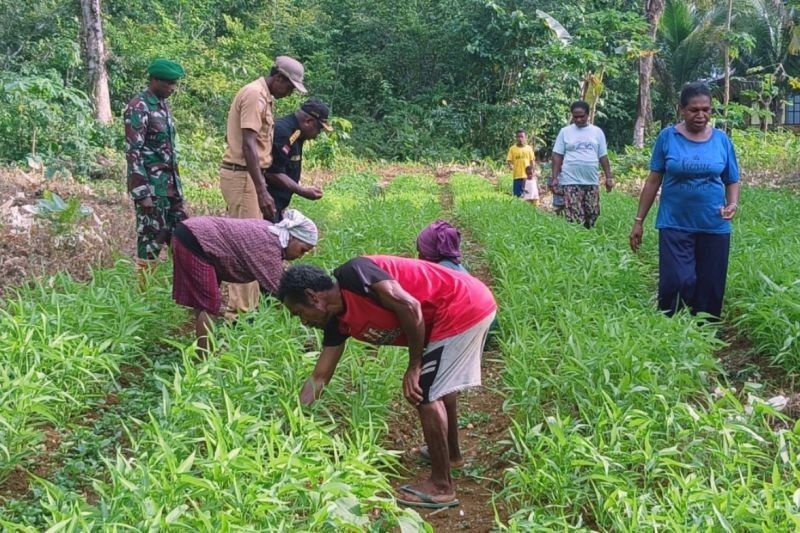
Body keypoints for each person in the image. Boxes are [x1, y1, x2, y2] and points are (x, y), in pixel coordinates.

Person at [277, 256, 497, 509]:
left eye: (299, 313)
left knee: (423, 393)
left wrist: (414, 365)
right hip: (454, 311)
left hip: (462, 304)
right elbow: (319, 377)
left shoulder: (354, 274)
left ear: (313, 296)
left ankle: (442, 486)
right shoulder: (337, 324)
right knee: (437, 385)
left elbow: (410, 305)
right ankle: (452, 454)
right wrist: (291, 422)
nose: (303, 322)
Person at [630, 82, 740, 319]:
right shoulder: (667, 138)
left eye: (706, 109)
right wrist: (639, 220)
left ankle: (705, 335)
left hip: (714, 225)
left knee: (711, 284)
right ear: (681, 109)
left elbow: (732, 178)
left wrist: (732, 204)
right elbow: (653, 181)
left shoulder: (721, 140)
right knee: (678, 280)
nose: (701, 115)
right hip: (675, 223)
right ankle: (673, 330)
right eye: (694, 110)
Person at [219, 56, 307, 317]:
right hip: (244, 177)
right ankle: (240, 313)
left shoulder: (264, 96)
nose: (290, 94)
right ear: (278, 78)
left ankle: (249, 307)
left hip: (248, 177)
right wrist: (261, 189)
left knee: (254, 241)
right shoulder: (255, 95)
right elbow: (248, 145)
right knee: (245, 244)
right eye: (289, 87)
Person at [171, 209, 318, 352]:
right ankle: (204, 359)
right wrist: (306, 315)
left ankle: (204, 349)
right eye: (302, 250)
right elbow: (281, 290)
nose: (301, 255)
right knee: (210, 306)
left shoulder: (270, 235)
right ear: (292, 237)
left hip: (190, 234)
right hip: (196, 240)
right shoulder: (269, 246)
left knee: (204, 304)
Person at [124, 58, 187, 274]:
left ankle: (180, 289)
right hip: (152, 188)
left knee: (182, 237)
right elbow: (133, 153)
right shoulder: (138, 107)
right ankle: (144, 294)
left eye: (174, 83)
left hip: (171, 188)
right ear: (153, 79)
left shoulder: (163, 106)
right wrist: (142, 193)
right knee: (150, 241)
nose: (171, 88)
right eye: (167, 83)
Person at [263, 98, 331, 222]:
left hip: (277, 205)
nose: (317, 135)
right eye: (319, 129)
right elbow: (273, 172)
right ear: (308, 122)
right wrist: (302, 191)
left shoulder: (296, 134)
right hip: (266, 204)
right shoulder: (282, 132)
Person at [550, 101, 614, 228]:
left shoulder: (597, 132)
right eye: (575, 117)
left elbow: (603, 156)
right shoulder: (565, 132)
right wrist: (555, 177)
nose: (578, 119)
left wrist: (609, 177)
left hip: (591, 180)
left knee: (593, 212)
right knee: (575, 214)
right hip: (570, 180)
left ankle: (588, 236)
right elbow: (557, 155)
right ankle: (578, 241)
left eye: (582, 116)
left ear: (588, 115)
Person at [506, 129, 536, 198]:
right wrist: (510, 166)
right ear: (516, 138)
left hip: (527, 177)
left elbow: (532, 161)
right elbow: (509, 160)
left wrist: (533, 172)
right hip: (517, 176)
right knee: (517, 196)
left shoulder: (529, 148)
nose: (520, 139)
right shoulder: (512, 149)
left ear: (525, 138)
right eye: (518, 137)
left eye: (522, 137)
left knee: (528, 196)